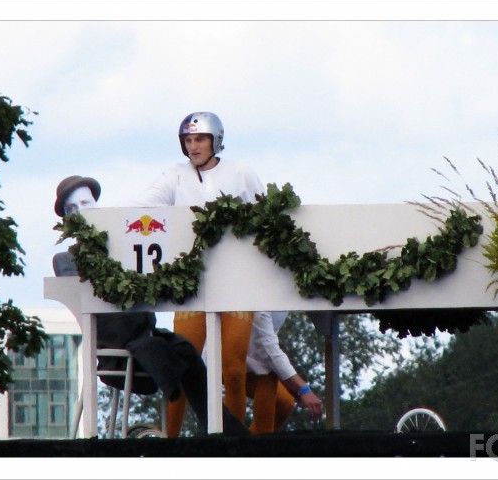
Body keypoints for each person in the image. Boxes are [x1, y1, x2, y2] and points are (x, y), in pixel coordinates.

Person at [53, 174, 248, 436]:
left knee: (183, 348)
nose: (80, 212)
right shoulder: (67, 259)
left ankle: (217, 424)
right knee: (161, 346)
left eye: (86, 204)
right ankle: (210, 422)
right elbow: (92, 305)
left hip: (143, 334)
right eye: (72, 209)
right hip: (114, 344)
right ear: (65, 219)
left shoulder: (124, 248)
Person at [132, 111, 264, 436]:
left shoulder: (241, 172)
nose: (193, 146)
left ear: (215, 140)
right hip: (191, 286)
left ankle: (235, 444)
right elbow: (144, 206)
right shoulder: (174, 175)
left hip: (237, 284)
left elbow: (267, 216)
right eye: (188, 140)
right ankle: (172, 441)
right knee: (178, 366)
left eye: (200, 139)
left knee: (233, 371)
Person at [245, 311, 323, 434]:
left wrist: (296, 388)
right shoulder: (263, 303)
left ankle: (250, 447)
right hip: (224, 361)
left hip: (255, 364)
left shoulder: (282, 301)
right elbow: (269, 348)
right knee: (269, 383)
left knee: (284, 403)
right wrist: (303, 389)